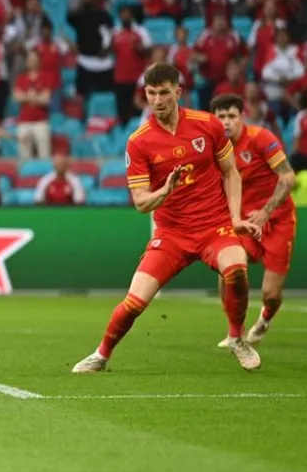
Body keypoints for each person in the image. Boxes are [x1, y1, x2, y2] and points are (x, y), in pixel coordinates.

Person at [72, 63, 263, 374]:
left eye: (163, 93)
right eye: (151, 93)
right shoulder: (139, 141)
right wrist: (164, 191)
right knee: (135, 302)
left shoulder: (208, 125)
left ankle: (237, 338)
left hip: (214, 226)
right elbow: (141, 202)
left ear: (178, 92)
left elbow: (231, 172)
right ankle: (101, 354)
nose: (157, 100)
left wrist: (235, 218)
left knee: (237, 270)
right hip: (172, 234)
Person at [210, 94, 296, 347]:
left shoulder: (261, 138)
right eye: (221, 117)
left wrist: (266, 212)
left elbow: (288, 177)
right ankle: (234, 332)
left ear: (242, 117)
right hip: (244, 223)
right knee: (227, 271)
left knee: (271, 294)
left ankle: (266, 317)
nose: (226, 122)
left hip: (277, 219)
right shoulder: (215, 148)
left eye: (231, 116)